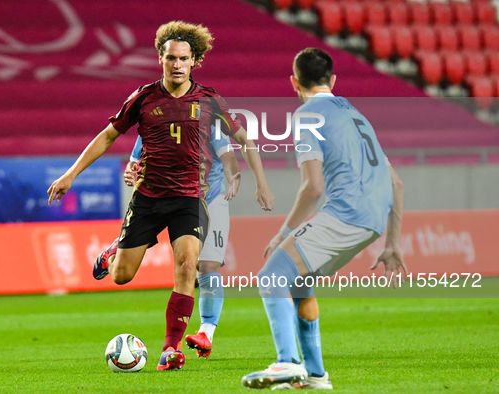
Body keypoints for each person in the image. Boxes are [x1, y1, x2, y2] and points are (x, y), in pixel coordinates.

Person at [47, 21, 274, 372]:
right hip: (149, 198)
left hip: (189, 199)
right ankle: (114, 251)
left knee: (187, 266)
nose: (177, 64)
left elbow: (245, 140)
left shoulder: (210, 100)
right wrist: (70, 174)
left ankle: (171, 349)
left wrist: (261, 182)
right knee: (122, 275)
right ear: (160, 59)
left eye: (184, 59)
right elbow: (107, 137)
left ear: (194, 61)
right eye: (171, 58)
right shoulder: (143, 98)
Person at [241, 48, 406, 390]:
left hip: (346, 212)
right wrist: (391, 243)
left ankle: (287, 362)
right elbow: (396, 182)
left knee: (272, 275)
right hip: (373, 219)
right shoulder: (355, 114)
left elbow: (313, 188)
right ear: (333, 80)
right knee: (299, 283)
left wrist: (283, 233)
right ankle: (316, 376)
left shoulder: (306, 115)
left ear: (293, 83)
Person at [125, 128, 238, 359]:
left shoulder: (210, 121)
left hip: (211, 200)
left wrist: (233, 175)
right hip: (170, 199)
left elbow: (228, 156)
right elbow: (135, 162)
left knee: (207, 266)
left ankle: (206, 334)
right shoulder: (154, 116)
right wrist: (131, 172)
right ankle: (121, 245)